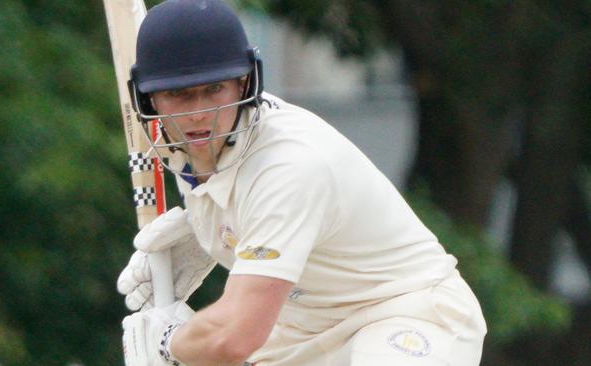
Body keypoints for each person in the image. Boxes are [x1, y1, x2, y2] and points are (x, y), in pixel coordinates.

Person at [116, 0, 487, 365]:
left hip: (403, 309)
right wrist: (205, 237)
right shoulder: (181, 147)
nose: (200, 114)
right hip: (302, 330)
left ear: (246, 82)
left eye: (214, 89)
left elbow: (235, 335)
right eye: (179, 95)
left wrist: (168, 341)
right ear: (150, 98)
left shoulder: (288, 165)